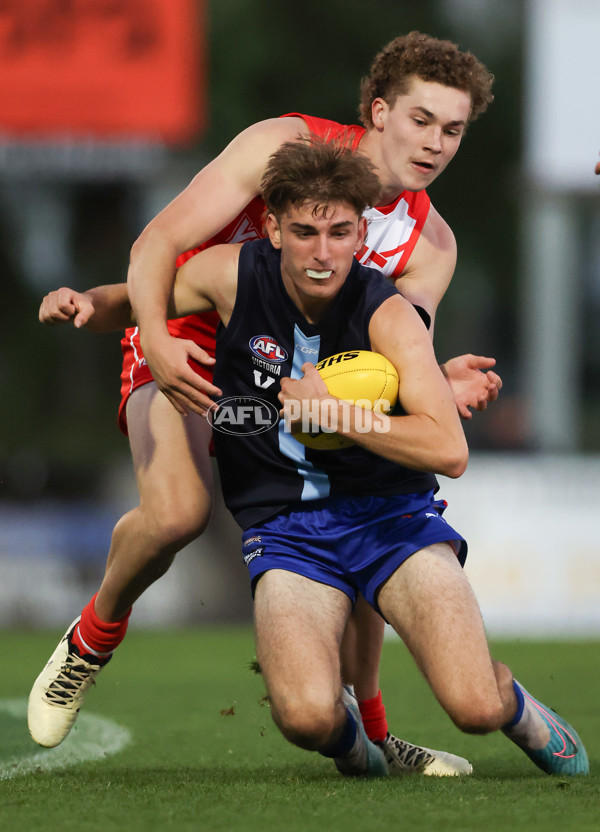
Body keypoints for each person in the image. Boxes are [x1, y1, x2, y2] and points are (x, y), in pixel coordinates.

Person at [38, 138, 588, 777]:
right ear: (271, 227)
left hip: (393, 524)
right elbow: (139, 303)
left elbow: (448, 449)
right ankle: (356, 744)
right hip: (287, 532)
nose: (322, 254)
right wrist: (86, 304)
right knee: (305, 717)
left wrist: (338, 416)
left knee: (473, 708)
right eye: (303, 232)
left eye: (339, 233)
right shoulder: (230, 274)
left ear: (361, 233)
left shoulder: (388, 311)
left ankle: (512, 705)